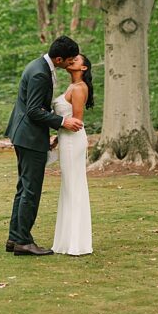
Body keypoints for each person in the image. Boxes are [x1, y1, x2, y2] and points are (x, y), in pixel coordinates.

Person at [5, 36, 84, 256]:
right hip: (29, 138)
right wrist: (62, 122)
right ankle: (23, 241)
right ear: (59, 58)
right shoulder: (40, 73)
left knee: (23, 188)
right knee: (30, 190)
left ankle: (14, 237)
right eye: (69, 61)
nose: (70, 64)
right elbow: (34, 110)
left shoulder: (38, 65)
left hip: (23, 135)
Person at [51, 53, 94, 256]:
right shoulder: (70, 86)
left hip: (73, 141)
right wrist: (57, 138)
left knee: (74, 186)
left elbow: (75, 122)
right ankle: (66, 240)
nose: (71, 61)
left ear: (83, 69)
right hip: (65, 139)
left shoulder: (78, 89)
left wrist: (60, 133)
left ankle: (77, 242)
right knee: (69, 187)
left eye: (76, 60)